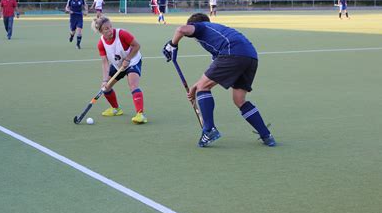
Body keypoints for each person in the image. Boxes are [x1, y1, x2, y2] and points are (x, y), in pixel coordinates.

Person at [163, 13, 275, 148]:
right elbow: (211, 74)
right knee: (239, 100)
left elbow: (181, 29)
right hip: (250, 57)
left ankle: (209, 129)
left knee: (203, 87)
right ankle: (266, 135)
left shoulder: (200, 27)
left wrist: (172, 45)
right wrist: (194, 88)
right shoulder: (217, 34)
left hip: (232, 52)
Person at [92, 16, 147, 124]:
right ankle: (116, 109)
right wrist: (104, 80)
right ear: (101, 31)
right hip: (117, 65)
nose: (110, 30)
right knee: (106, 87)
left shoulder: (122, 34)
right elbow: (105, 62)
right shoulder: (101, 43)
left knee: (133, 85)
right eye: (106, 29)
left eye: (110, 27)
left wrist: (128, 59)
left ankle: (140, 114)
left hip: (133, 61)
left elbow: (137, 46)